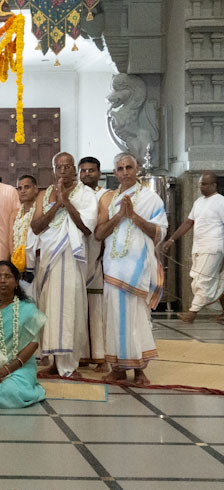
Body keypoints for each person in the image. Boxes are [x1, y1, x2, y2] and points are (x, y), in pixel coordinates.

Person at [95, 153, 168, 385]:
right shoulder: (109, 198)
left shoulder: (151, 198)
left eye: (129, 167)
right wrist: (119, 215)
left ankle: (139, 371)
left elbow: (159, 233)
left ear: (136, 170)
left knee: (136, 320)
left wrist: (133, 216)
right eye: (120, 168)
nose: (125, 172)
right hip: (114, 268)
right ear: (114, 173)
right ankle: (118, 368)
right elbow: (99, 233)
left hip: (137, 269)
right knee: (114, 318)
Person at [30, 152, 98, 378]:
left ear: (74, 170)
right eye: (59, 167)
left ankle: (71, 364)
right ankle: (55, 362)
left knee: (71, 307)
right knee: (49, 307)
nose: (63, 171)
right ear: (53, 169)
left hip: (71, 257)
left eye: (68, 167)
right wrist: (55, 204)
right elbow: (36, 226)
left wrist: (65, 203)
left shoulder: (86, 194)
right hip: (49, 257)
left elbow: (86, 228)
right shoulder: (45, 194)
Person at [0, 261, 47, 408]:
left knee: (13, 392)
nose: (3, 280)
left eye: (8, 276)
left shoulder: (28, 308)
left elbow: (33, 343)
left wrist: (9, 368)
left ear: (16, 281)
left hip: (20, 366)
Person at [162, 172, 224, 323]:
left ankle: (192, 312)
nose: (201, 187)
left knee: (203, 280)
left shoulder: (221, 201)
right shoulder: (198, 202)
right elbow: (188, 223)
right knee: (199, 280)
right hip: (198, 247)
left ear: (214, 185)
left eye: (204, 184)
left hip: (213, 247)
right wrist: (172, 239)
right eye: (200, 184)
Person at [79, 156, 109, 369]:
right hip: (77, 254)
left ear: (99, 173)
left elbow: (102, 226)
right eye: (83, 171)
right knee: (79, 306)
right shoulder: (76, 195)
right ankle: (81, 355)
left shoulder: (105, 196)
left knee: (97, 306)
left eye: (91, 170)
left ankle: (100, 356)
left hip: (98, 254)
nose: (87, 174)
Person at [10, 174, 39, 298]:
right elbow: (10, 240)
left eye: (27, 187)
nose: (23, 191)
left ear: (35, 189)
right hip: (19, 265)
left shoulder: (40, 210)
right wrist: (15, 265)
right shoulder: (14, 213)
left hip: (37, 262)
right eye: (20, 188)